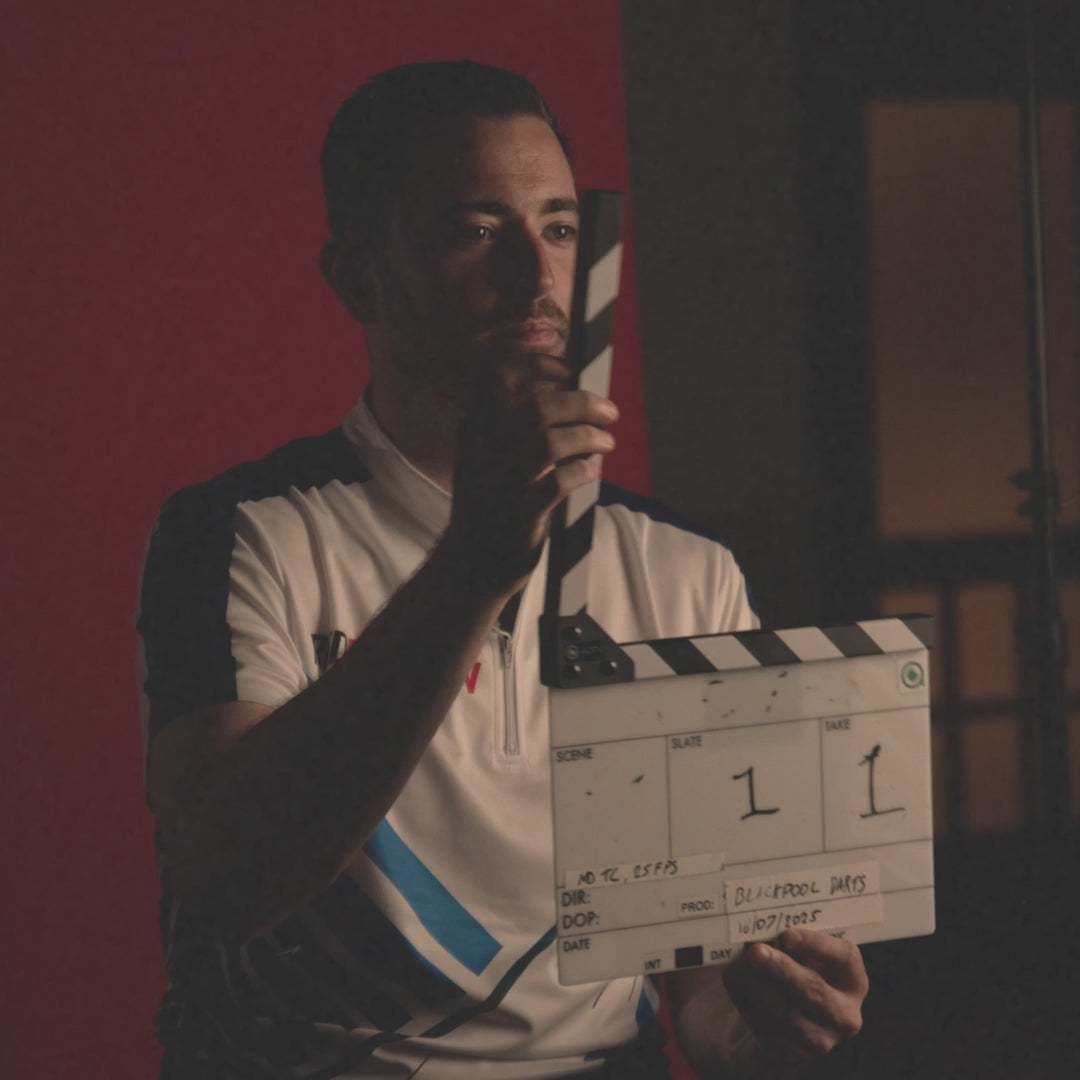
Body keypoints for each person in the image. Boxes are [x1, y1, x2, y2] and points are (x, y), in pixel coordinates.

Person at [136, 60, 868, 1079]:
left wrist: (762, 1029)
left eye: (560, 227)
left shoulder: (687, 572)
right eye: (477, 230)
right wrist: (475, 563)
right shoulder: (241, 534)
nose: (537, 277)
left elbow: (705, 988)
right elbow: (226, 878)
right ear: (359, 278)